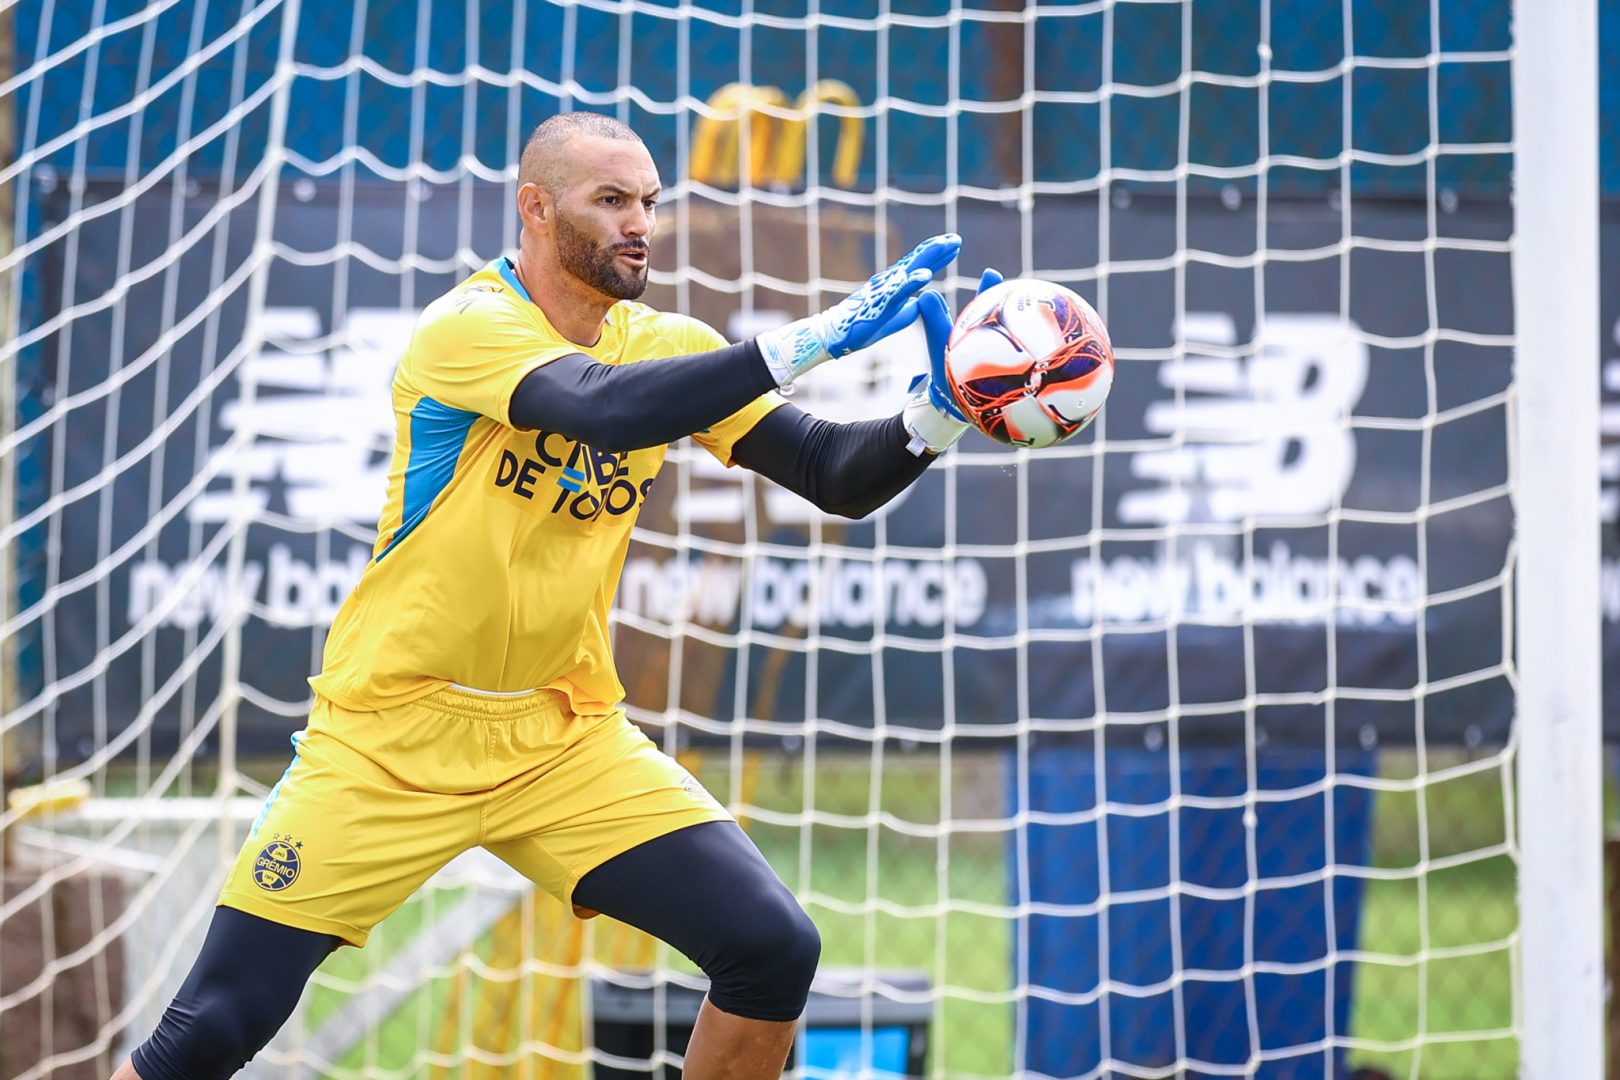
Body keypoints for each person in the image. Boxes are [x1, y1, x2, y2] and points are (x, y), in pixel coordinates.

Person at [112, 111, 989, 1080]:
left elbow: (831, 472)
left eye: (648, 201)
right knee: (213, 1029)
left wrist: (937, 415)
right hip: (392, 735)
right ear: (535, 208)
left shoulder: (667, 343)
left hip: (563, 736)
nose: (638, 223)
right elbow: (598, 409)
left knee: (772, 948)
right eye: (609, 200)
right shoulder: (467, 327)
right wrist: (812, 339)